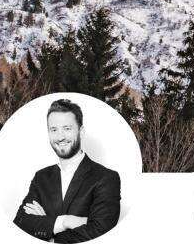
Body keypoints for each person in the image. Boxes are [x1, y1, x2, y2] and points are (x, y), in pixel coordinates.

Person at [13, 99, 121, 242]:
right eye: (54, 129)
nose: (60, 137)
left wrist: (49, 232)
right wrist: (64, 221)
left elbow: (101, 229)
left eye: (67, 128)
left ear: (81, 132)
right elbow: (20, 222)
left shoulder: (106, 178)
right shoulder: (41, 177)